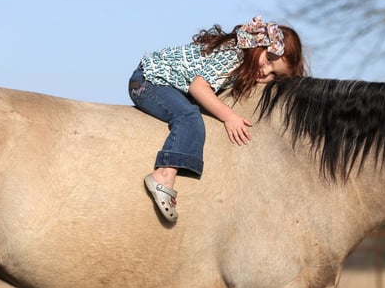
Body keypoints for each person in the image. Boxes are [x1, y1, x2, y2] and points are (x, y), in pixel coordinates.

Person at [128, 16, 306, 222]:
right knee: (189, 117)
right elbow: (198, 87)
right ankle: (163, 175)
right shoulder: (233, 55)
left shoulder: (241, 58)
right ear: (259, 45)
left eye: (274, 75)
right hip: (149, 81)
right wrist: (229, 117)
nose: (265, 71)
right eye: (268, 60)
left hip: (163, 82)